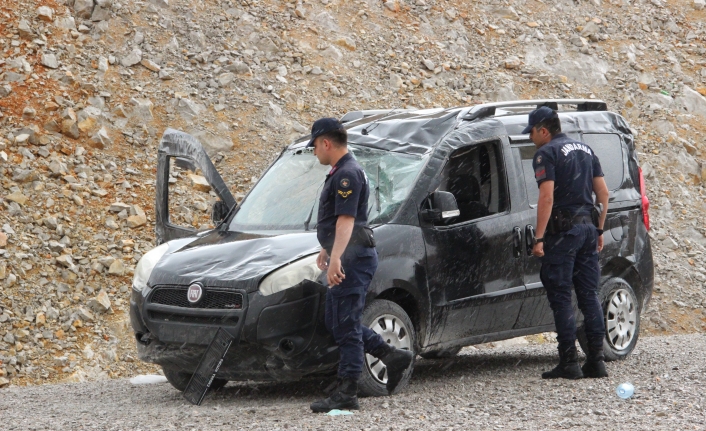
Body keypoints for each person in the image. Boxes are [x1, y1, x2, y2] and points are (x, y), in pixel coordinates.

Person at [306, 118, 414, 412]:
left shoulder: (347, 176)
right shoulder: (344, 171)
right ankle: (389, 355)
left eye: (315, 146)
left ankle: (347, 390)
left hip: (352, 258)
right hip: (349, 254)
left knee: (346, 325)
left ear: (326, 143)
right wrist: (327, 249)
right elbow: (337, 221)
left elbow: (346, 220)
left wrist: (336, 257)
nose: (315, 152)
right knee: (338, 321)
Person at [525, 107, 610, 380]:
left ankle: (569, 363)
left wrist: (539, 238)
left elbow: (547, 198)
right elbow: (604, 194)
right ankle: (596, 360)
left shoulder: (546, 153)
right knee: (589, 294)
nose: (530, 137)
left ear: (543, 130)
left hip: (563, 232)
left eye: (532, 131)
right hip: (587, 228)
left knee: (561, 296)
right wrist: (599, 229)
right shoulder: (585, 149)